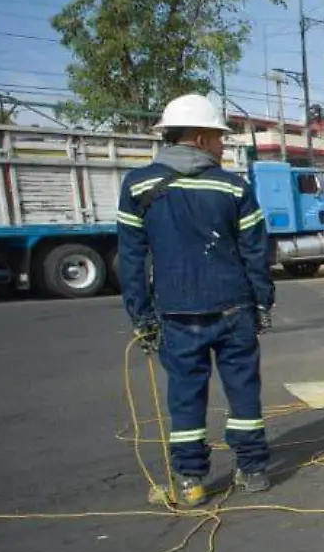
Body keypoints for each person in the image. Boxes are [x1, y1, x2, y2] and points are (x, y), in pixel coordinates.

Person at [117, 94, 275, 507]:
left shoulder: (138, 185)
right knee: (243, 391)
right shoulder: (233, 187)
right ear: (202, 137)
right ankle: (253, 470)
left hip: (176, 311)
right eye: (221, 139)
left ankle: (190, 481)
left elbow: (131, 258)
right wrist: (262, 303)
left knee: (185, 395)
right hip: (234, 306)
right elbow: (256, 252)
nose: (224, 147)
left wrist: (141, 315)